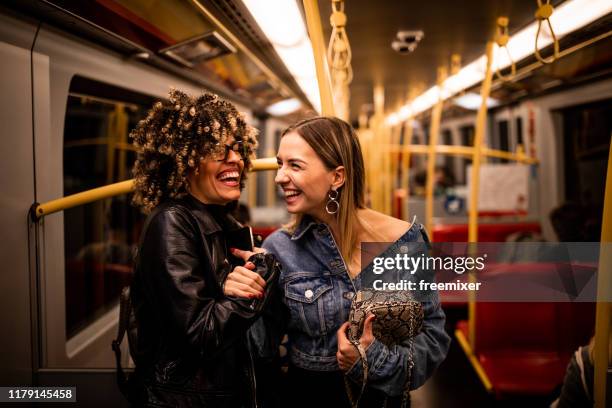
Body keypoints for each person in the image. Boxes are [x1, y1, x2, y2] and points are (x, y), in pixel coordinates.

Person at [262, 117, 450, 407]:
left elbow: (432, 338)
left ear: (337, 177)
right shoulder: (279, 248)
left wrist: (371, 358)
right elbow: (263, 349)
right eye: (279, 164)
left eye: (294, 165)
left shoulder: (404, 241)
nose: (279, 177)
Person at [128, 89, 281, 407]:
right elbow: (201, 333)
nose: (236, 159)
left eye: (237, 149)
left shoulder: (225, 222)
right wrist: (260, 279)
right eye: (219, 149)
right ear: (186, 161)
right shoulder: (172, 223)